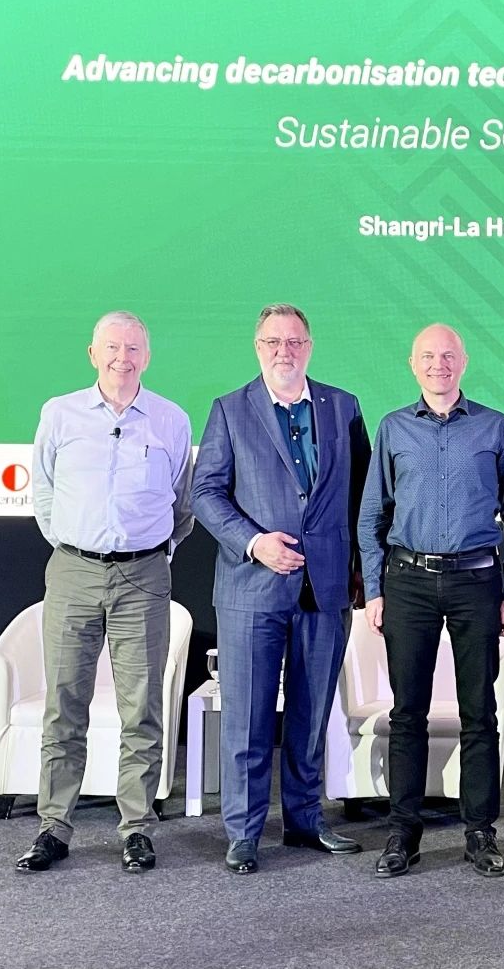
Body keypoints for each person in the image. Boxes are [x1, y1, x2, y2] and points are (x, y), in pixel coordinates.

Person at [192, 304, 370, 875]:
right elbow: (205, 493)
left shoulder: (343, 407)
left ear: (309, 347)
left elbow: (364, 496)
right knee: (247, 719)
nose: (283, 351)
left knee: (310, 715)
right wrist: (253, 542)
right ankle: (243, 833)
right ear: (257, 347)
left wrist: (361, 573)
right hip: (252, 587)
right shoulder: (229, 409)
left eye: (293, 341)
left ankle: (305, 820)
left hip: (326, 587)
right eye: (272, 341)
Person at [20, 310, 193, 873]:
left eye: (133, 348)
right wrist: (77, 547)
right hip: (72, 571)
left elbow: (182, 504)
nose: (123, 358)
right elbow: (44, 492)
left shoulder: (171, 419)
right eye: (112, 347)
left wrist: (153, 552)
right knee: (64, 706)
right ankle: (53, 827)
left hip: (144, 576)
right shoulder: (60, 413)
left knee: (141, 708)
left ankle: (137, 828)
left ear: (148, 356)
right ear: (92, 354)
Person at [358, 323, 504, 879]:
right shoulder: (393, 428)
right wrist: (375, 589)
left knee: (480, 712)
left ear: (464, 361)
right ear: (413, 364)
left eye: (448, 355)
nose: (439, 364)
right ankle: (402, 832)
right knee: (407, 712)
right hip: (407, 582)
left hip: (476, 582)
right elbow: (372, 514)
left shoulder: (496, 426)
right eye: (428, 356)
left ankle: (480, 831)